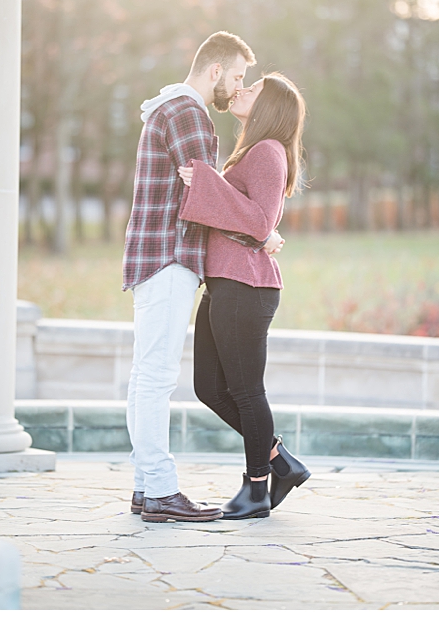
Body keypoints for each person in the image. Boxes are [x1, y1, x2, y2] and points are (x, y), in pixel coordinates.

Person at [122, 30, 260, 524]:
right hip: (171, 257)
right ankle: (160, 489)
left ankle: (146, 487)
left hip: (153, 257)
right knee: (157, 377)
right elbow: (207, 198)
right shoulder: (189, 114)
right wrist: (261, 234)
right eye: (238, 77)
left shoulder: (169, 108)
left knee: (146, 376)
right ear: (216, 70)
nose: (238, 88)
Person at [177, 72, 311, 520]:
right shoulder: (255, 153)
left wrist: (204, 181)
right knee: (208, 386)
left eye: (253, 88)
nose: (242, 90)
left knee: (247, 391)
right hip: (227, 282)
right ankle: (279, 460)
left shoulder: (269, 153)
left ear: (269, 106)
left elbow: (259, 221)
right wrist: (210, 181)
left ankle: (256, 488)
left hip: (247, 285)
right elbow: (256, 223)